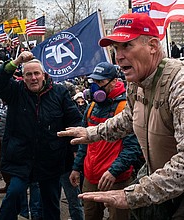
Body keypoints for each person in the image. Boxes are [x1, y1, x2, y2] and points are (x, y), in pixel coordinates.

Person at [58, 12, 184, 220]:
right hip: (161, 188)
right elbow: (128, 118)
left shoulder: (178, 85)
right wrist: (92, 133)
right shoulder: (136, 83)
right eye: (115, 48)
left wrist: (132, 195)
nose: (118, 56)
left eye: (127, 46)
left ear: (153, 46)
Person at [0, 51, 82, 220]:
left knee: (51, 203)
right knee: (13, 194)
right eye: (29, 74)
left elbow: (74, 121)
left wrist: (75, 149)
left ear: (44, 75)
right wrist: (17, 60)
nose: (33, 78)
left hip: (51, 159)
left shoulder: (60, 93)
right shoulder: (15, 91)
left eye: (36, 73)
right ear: (23, 77)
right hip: (21, 159)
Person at [69, 62, 143, 220]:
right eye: (94, 82)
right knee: (90, 216)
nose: (96, 86)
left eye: (101, 82)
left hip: (115, 179)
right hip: (91, 176)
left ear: (115, 81)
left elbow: (132, 148)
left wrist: (113, 171)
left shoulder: (125, 108)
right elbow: (85, 140)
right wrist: (77, 168)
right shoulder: (91, 107)